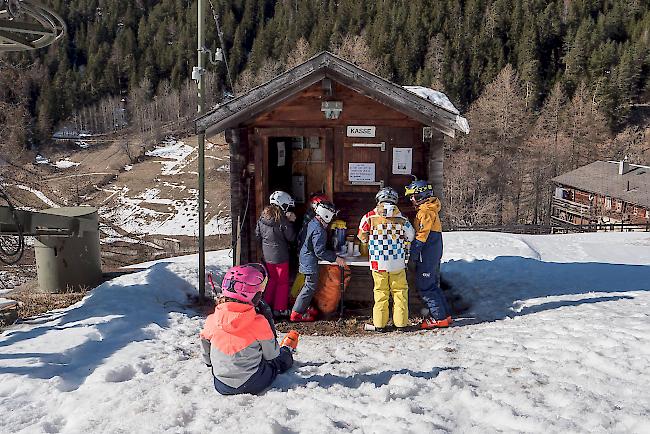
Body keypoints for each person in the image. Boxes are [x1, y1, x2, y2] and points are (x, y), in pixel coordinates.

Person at [200, 263, 299, 395]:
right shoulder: (259, 322)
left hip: (221, 385)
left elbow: (207, 359)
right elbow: (271, 356)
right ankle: (287, 350)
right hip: (253, 383)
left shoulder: (211, 320)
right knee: (279, 361)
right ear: (255, 295)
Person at [358, 187, 415, 331]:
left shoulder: (369, 217)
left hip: (378, 262)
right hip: (397, 262)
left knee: (380, 293)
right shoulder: (402, 219)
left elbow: (362, 237)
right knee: (400, 292)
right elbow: (411, 236)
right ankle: (401, 324)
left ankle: (379, 325)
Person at [404, 180, 452, 329]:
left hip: (427, 256)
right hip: (433, 254)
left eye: (413, 196)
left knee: (425, 287)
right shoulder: (431, 209)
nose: (411, 199)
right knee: (433, 286)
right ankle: (445, 315)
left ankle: (439, 318)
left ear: (421, 195)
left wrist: (412, 255)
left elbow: (421, 237)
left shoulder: (425, 212)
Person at [290, 200, 345, 322]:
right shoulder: (319, 230)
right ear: (326, 214)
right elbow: (319, 251)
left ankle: (302, 308)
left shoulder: (312, 223)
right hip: (309, 260)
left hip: (305, 257)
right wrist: (336, 258)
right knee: (309, 287)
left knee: (309, 286)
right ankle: (296, 313)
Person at [255, 191, 297, 317]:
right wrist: (291, 222)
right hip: (281, 256)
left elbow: (257, 234)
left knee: (272, 280)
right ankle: (279, 309)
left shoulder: (263, 217)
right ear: (282, 205)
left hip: (268, 256)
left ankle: (265, 305)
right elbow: (291, 237)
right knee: (282, 282)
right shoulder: (282, 220)